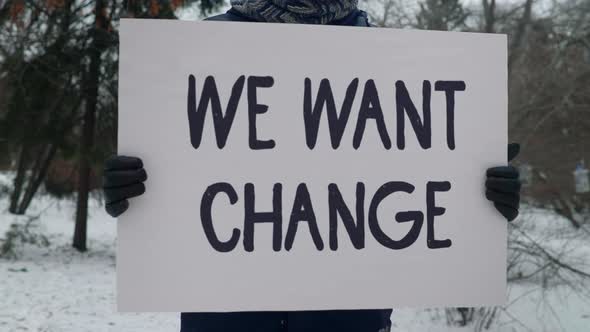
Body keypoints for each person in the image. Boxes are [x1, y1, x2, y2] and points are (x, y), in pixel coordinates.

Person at [103, 1, 522, 331]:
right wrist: (130, 188)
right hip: (225, 317)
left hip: (348, 317)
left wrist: (480, 196)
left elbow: (416, 178)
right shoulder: (193, 52)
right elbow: (174, 172)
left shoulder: (393, 58)